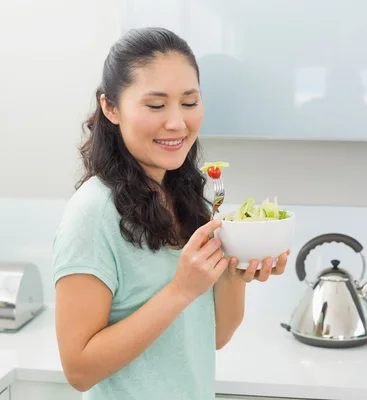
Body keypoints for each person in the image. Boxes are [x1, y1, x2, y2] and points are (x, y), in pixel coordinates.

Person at [52, 27, 291, 400]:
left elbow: (214, 335)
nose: (177, 122)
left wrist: (236, 270)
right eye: (155, 105)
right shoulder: (93, 212)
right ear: (110, 108)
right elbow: (79, 370)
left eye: (190, 102)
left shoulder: (186, 195)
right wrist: (180, 290)